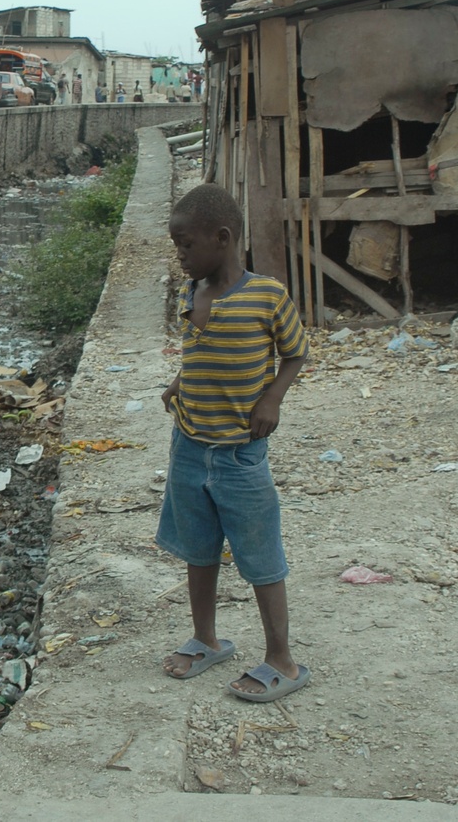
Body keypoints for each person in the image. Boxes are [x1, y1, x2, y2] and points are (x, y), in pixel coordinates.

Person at [158, 184, 310, 703]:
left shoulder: (267, 296)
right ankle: (206, 638)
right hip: (188, 445)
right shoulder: (191, 293)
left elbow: (295, 354)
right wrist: (180, 384)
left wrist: (272, 401)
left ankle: (281, 659)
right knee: (198, 549)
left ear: (222, 238)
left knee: (260, 554)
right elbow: (200, 351)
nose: (179, 255)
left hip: (238, 455)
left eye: (185, 245)